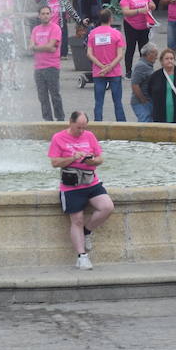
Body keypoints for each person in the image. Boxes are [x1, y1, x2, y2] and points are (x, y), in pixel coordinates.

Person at [48, 113, 115, 269]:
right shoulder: (58, 138)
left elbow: (100, 159)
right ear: (70, 122)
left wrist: (92, 160)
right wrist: (72, 158)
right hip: (71, 186)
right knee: (76, 219)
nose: (81, 131)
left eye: (84, 128)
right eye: (78, 127)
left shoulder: (89, 136)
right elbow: (54, 162)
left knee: (107, 207)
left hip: (91, 182)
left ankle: (86, 231)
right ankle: (82, 256)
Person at [86, 9, 126, 122]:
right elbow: (120, 55)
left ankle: (98, 124)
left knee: (98, 102)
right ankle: (121, 125)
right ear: (110, 19)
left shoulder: (93, 33)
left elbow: (89, 54)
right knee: (117, 102)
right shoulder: (117, 34)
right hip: (114, 72)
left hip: (98, 72)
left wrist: (101, 66)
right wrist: (110, 67)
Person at [29, 4, 66, 121]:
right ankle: (47, 120)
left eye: (47, 13)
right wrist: (45, 47)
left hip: (52, 67)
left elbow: (51, 46)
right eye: (43, 14)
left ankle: (60, 119)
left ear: (51, 14)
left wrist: (37, 47)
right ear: (39, 16)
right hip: (38, 68)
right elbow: (31, 46)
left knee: (55, 95)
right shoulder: (35, 29)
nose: (45, 16)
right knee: (42, 97)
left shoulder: (55, 28)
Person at [119, 0, 156, 76]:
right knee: (131, 47)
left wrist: (151, 6)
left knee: (144, 48)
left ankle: (144, 68)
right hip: (131, 25)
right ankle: (128, 71)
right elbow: (125, 11)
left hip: (144, 25)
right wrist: (139, 11)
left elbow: (152, 4)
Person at [146, 48, 176, 124]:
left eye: (171, 58)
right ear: (161, 61)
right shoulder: (155, 76)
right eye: (167, 59)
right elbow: (149, 92)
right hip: (160, 114)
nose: (169, 60)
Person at [128, 43, 158, 123]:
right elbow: (135, 85)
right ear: (148, 54)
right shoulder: (141, 66)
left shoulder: (147, 65)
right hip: (141, 102)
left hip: (147, 101)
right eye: (155, 54)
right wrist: (143, 100)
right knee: (145, 124)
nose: (156, 57)